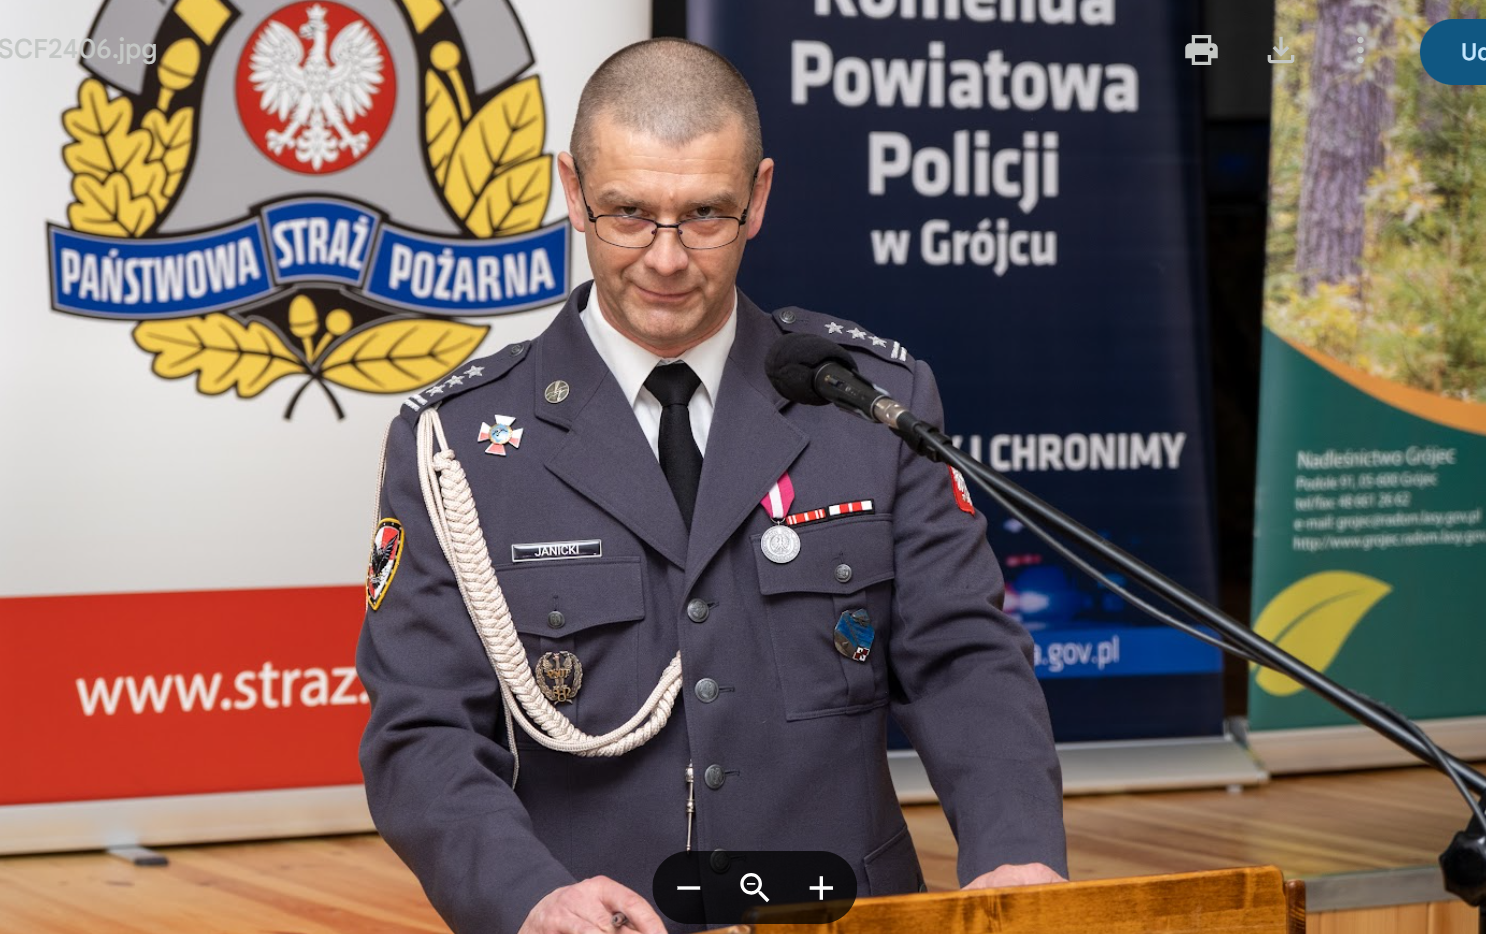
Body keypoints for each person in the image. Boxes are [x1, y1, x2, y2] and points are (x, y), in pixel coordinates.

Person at [357, 37, 1066, 934]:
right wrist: (527, 898)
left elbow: (964, 658)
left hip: (836, 915)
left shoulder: (868, 406)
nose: (665, 258)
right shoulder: (458, 444)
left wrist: (1015, 852)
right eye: (628, 213)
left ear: (757, 198)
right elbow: (422, 732)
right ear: (572, 190)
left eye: (703, 215)